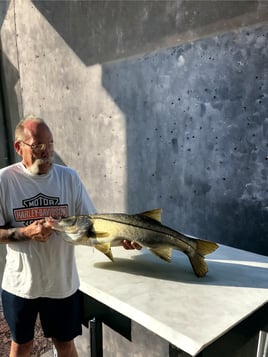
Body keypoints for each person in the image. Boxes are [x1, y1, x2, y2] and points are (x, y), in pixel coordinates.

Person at [0, 115, 141, 357]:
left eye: (51, 144)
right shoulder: (4, 180)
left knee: (64, 344)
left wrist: (120, 240)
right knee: (21, 345)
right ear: (18, 147)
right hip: (20, 284)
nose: (46, 152)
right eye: (38, 146)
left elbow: (92, 226)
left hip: (61, 283)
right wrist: (26, 232)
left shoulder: (69, 178)